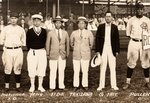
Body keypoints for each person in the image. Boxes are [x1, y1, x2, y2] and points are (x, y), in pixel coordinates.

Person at [123, 2, 150, 90]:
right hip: (133, 42)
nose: (139, 10)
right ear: (136, 10)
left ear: (143, 10)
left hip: (145, 41)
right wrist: (135, 38)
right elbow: (128, 33)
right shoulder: (131, 20)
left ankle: (147, 82)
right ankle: (127, 82)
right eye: (138, 9)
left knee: (146, 62)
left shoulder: (147, 20)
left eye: (141, 9)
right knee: (131, 62)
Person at [0, 12, 26, 92]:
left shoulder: (21, 29)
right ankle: (7, 87)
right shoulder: (5, 29)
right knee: (7, 68)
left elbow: (23, 41)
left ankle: (18, 86)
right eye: (12, 18)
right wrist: (5, 48)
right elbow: (1, 40)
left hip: (18, 50)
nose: (13, 20)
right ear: (9, 19)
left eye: (15, 18)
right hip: (8, 50)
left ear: (18, 19)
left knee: (17, 67)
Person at [95, 11, 120, 91]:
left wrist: (117, 51)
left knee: (112, 67)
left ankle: (114, 85)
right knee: (103, 67)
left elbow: (117, 40)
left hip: (112, 49)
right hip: (103, 49)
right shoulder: (100, 27)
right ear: (104, 17)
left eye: (109, 16)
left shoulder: (115, 27)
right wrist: (97, 50)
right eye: (106, 16)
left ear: (112, 17)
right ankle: (101, 85)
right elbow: (97, 39)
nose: (108, 18)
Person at [46, 16, 69, 91]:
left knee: (61, 70)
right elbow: (47, 44)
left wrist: (67, 53)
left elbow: (67, 44)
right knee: (53, 71)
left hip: (62, 54)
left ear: (61, 24)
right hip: (53, 54)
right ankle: (52, 87)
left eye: (59, 23)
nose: (58, 24)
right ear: (54, 24)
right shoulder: (50, 33)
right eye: (56, 23)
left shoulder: (65, 33)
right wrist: (47, 53)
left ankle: (61, 86)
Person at [70, 16, 94, 91]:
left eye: (83, 23)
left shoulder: (89, 33)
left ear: (85, 24)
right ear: (77, 24)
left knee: (85, 71)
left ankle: (85, 84)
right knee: (76, 71)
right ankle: (76, 85)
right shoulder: (74, 33)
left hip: (85, 55)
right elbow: (71, 43)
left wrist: (86, 49)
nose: (81, 25)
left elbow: (91, 44)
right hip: (76, 55)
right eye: (79, 23)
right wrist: (76, 48)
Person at [26, 14, 47, 93]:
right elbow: (28, 42)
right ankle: (32, 86)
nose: (36, 22)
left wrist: (41, 49)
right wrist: (31, 50)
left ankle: (40, 86)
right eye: (34, 21)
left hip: (41, 51)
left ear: (41, 22)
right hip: (32, 51)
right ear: (32, 22)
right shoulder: (30, 31)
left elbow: (45, 41)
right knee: (32, 68)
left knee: (41, 68)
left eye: (38, 21)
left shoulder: (44, 31)